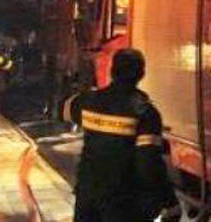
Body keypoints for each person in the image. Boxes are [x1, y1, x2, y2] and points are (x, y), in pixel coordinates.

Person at [61, 48, 181, 222]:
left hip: (88, 200)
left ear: (112, 71)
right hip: (125, 204)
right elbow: (148, 163)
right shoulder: (145, 113)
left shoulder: (89, 101)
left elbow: (64, 109)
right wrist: (169, 202)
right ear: (141, 74)